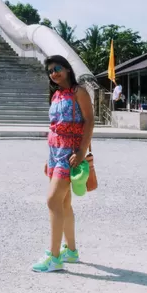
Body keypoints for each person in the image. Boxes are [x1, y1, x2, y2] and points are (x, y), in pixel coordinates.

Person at [33, 55, 94, 273]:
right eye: (50, 70)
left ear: (68, 69)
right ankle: (71, 251)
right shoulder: (56, 95)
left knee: (52, 201)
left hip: (70, 153)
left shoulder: (79, 92)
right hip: (54, 152)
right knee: (65, 204)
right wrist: (47, 158)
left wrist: (81, 151)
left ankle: (54, 257)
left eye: (57, 68)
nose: (54, 73)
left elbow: (89, 121)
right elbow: (55, 126)